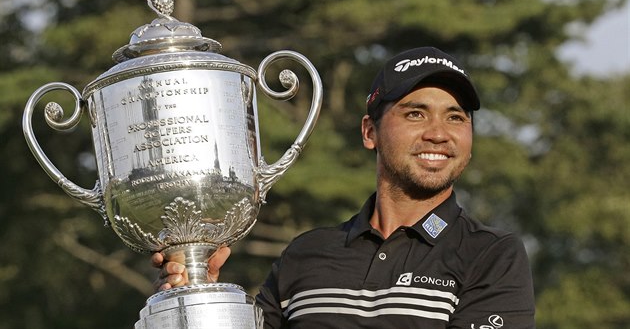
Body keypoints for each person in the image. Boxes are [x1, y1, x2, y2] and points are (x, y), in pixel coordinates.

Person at [153, 46, 536, 328]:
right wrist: (204, 294)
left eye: (456, 118)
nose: (438, 134)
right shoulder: (306, 253)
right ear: (370, 132)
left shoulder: (491, 255)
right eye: (415, 114)